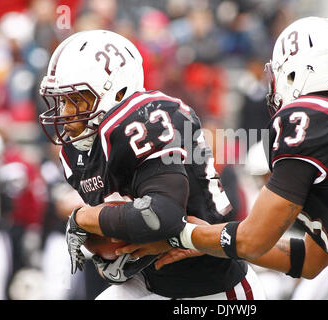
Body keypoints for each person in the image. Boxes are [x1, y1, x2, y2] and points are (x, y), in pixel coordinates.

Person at [120, 17, 328, 300]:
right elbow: (309, 260)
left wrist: (181, 233)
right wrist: (206, 241)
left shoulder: (307, 115)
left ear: (296, 72)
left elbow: (252, 238)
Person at [38, 30, 265, 300]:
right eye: (62, 100)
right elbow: (120, 233)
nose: (64, 113)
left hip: (211, 285)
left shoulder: (146, 121)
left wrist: (82, 218)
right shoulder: (77, 153)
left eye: (75, 100)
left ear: (117, 92)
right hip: (149, 282)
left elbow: (162, 216)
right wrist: (108, 252)